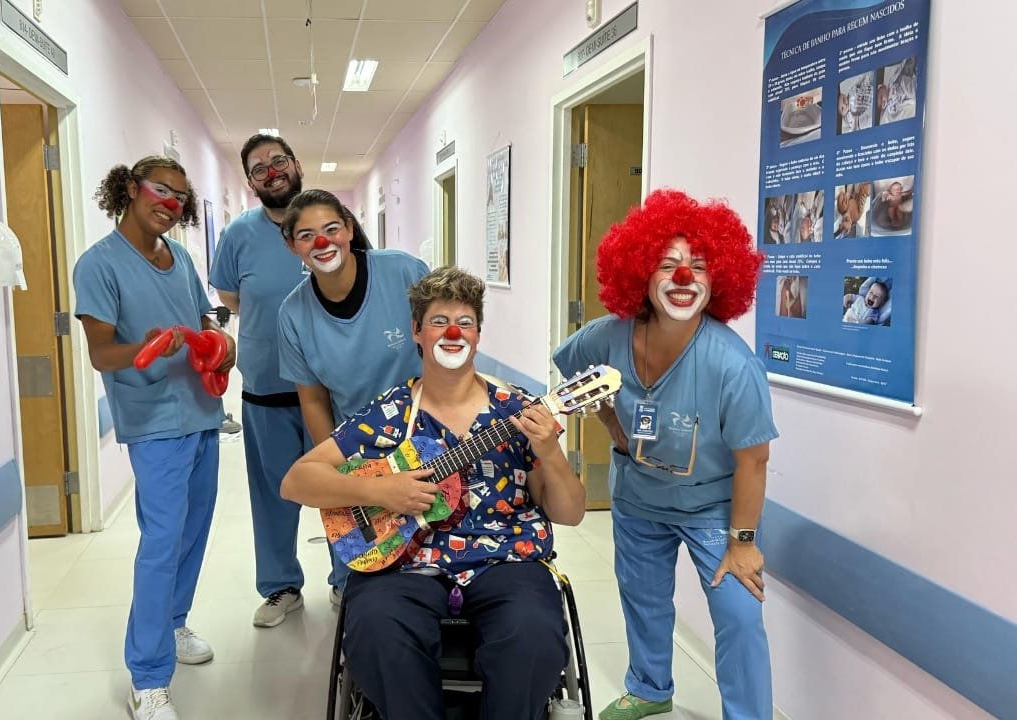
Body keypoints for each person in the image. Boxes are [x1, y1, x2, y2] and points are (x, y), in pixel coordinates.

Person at [282, 267, 586, 720]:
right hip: (403, 563)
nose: (452, 331)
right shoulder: (389, 412)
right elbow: (296, 481)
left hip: (507, 558)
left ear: (478, 335)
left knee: (534, 635)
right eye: (439, 321)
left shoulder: (519, 409)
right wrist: (381, 490)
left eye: (464, 321)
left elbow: (571, 512)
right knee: (377, 630)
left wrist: (551, 452)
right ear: (416, 333)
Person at [552, 189, 778, 720]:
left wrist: (742, 542)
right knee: (644, 600)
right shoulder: (607, 336)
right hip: (638, 498)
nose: (684, 278)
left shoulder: (732, 364)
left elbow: (754, 461)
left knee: (740, 615)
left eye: (698, 266)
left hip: (712, 510)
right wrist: (611, 422)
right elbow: (572, 370)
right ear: (639, 275)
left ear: (718, 278)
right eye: (668, 264)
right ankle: (651, 688)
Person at [73, 155, 235, 720]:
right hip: (154, 422)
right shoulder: (99, 265)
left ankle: (171, 623)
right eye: (160, 191)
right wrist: (147, 346)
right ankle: (147, 678)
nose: (170, 204)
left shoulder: (181, 258)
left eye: (179, 197)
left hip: (200, 411)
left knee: (193, 529)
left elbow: (204, 319)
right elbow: (100, 353)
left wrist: (220, 342)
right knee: (162, 541)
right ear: (129, 189)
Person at [277, 189, 430, 597]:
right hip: (358, 447)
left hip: (428, 437)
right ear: (292, 246)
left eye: (331, 229)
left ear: (349, 229)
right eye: (307, 235)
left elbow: (447, 342)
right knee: (362, 567)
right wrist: (340, 473)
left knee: (430, 549)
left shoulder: (402, 273)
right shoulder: (293, 315)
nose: (322, 242)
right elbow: (312, 399)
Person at [208, 133, 323, 628]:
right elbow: (232, 297)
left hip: (327, 387)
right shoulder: (239, 234)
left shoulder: (325, 221)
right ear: (251, 181)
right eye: (259, 167)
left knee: (345, 489)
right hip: (266, 388)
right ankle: (280, 587)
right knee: (274, 493)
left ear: (297, 164)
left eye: (279, 160)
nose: (272, 170)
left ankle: (350, 580)